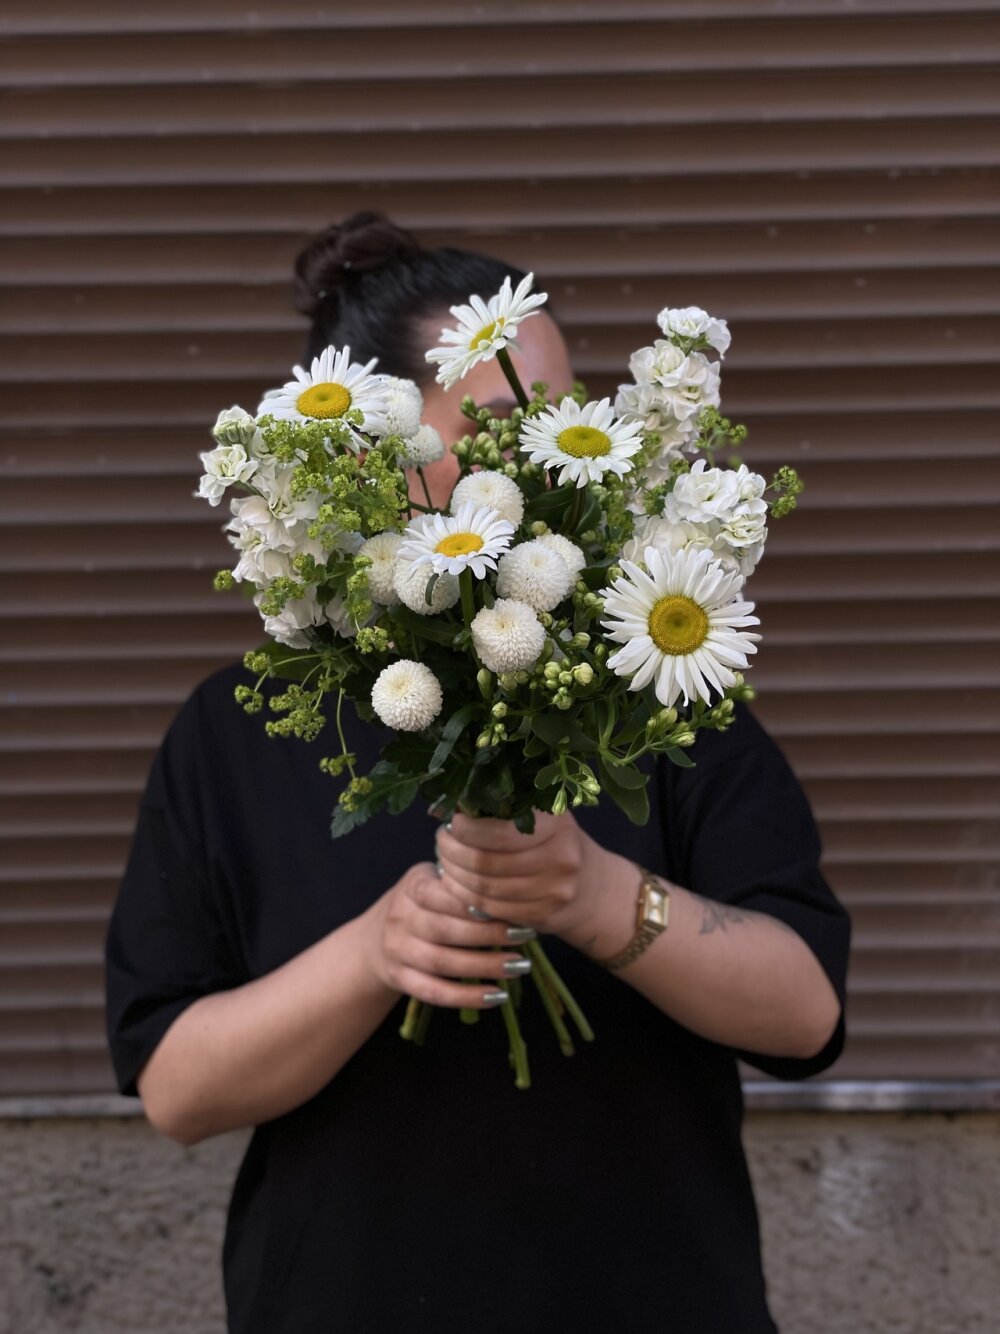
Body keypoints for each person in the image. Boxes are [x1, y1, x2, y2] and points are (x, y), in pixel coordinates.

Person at [105, 212, 850, 1334]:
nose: (558, 457)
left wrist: (599, 897)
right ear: (372, 446)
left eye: (568, 418)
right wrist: (374, 952)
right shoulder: (237, 727)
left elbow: (804, 1014)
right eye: (507, 423)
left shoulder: (653, 679)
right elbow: (177, 1089)